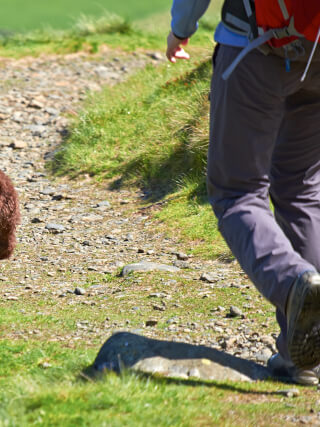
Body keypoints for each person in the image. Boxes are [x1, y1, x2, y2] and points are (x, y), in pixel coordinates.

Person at [167, 0, 320, 385]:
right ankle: (302, 357)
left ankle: (291, 283)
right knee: (302, 190)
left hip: (254, 47)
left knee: (237, 193)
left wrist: (181, 28)